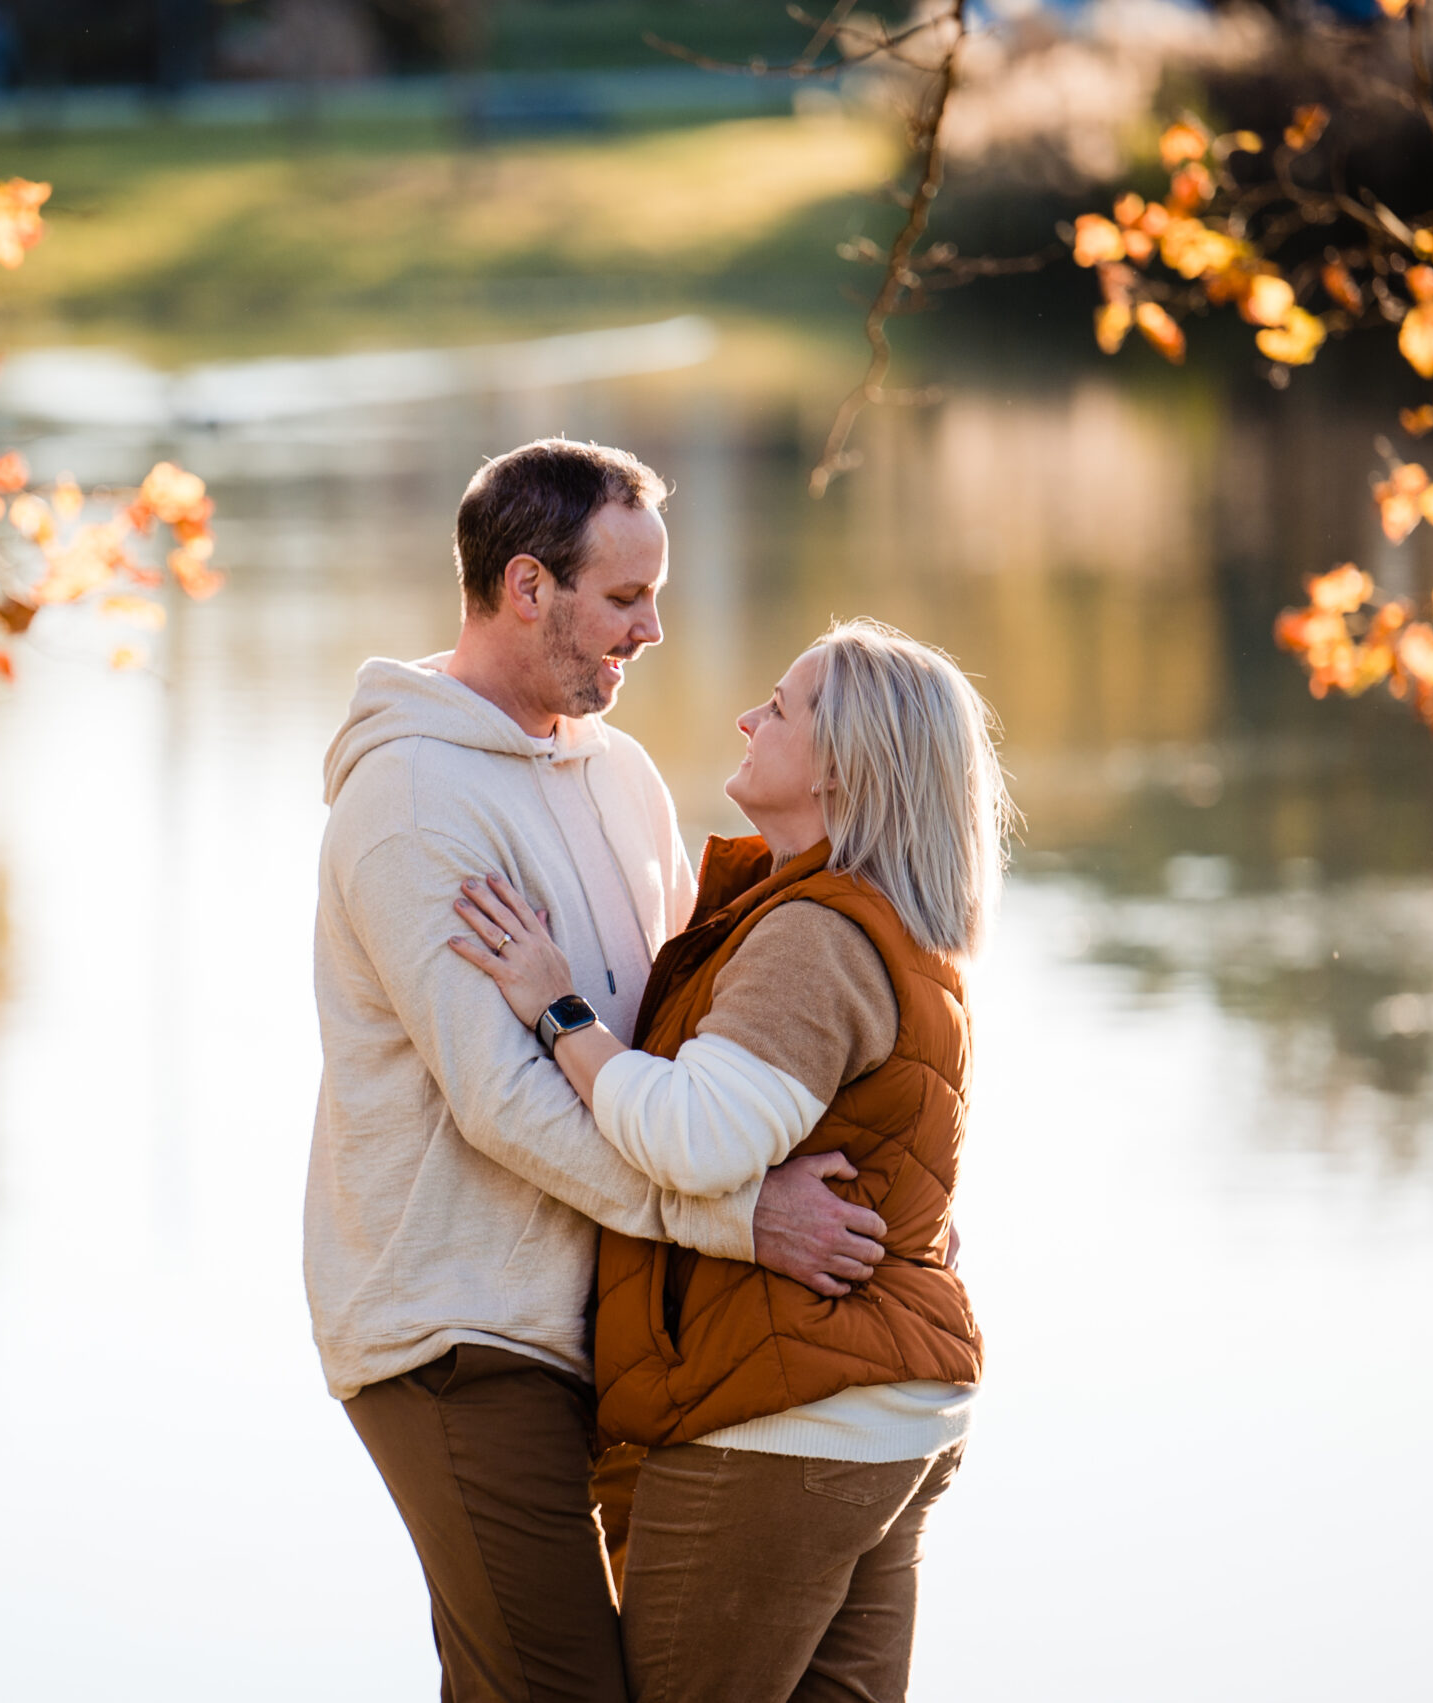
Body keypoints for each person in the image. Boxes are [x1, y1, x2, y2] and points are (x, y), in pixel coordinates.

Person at [306, 441, 895, 1703]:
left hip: (607, 1314)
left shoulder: (618, 774)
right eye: (625, 599)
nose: (655, 627)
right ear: (528, 586)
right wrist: (740, 1218)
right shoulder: (410, 799)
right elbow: (501, 1102)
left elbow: (675, 1031)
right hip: (456, 1327)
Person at [448, 618, 1015, 1703]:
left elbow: (692, 1139)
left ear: (845, 763)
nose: (750, 719)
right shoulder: (897, 928)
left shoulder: (817, 935)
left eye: (782, 706)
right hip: (888, 1410)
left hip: (785, 1418)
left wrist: (559, 1007)